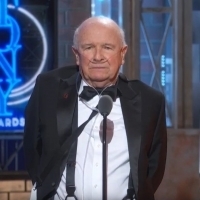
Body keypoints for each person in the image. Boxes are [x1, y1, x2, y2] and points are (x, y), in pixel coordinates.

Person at [24, 16, 167, 200]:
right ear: (77, 54)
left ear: (122, 54)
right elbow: (32, 151)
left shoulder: (150, 101)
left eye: (107, 47)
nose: (98, 56)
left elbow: (153, 169)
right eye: (89, 47)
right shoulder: (48, 89)